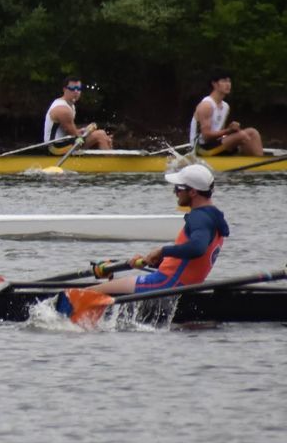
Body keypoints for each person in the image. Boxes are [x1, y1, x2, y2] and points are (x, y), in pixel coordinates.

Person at [84, 164, 228, 296]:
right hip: (182, 285)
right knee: (114, 285)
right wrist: (155, 261)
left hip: (166, 283)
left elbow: (197, 248)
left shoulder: (199, 217)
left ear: (193, 192)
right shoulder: (213, 217)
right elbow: (188, 263)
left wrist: (162, 251)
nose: (174, 192)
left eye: (178, 188)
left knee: (89, 293)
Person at [189, 70, 264, 157]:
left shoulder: (225, 106)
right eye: (224, 81)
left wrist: (231, 131)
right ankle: (250, 160)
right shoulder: (206, 105)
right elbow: (206, 136)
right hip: (200, 149)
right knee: (242, 135)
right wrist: (228, 131)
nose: (228, 84)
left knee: (252, 132)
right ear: (214, 84)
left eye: (229, 81)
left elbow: (219, 133)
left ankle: (259, 162)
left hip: (214, 145)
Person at [43, 78, 113, 151]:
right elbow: (75, 136)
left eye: (78, 88)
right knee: (100, 135)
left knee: (105, 136)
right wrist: (88, 132)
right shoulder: (63, 109)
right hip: (55, 147)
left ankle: (106, 157)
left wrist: (84, 131)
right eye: (72, 88)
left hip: (64, 142)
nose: (76, 91)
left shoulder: (71, 106)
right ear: (64, 90)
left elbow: (70, 132)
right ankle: (109, 161)